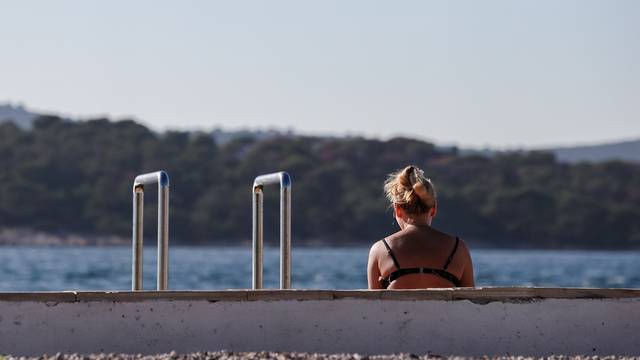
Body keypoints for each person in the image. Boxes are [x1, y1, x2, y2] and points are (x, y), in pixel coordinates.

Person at [367, 165, 474, 289]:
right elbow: (470, 301)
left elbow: (373, 304)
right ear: (433, 210)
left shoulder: (380, 250)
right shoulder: (458, 248)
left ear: (397, 209)